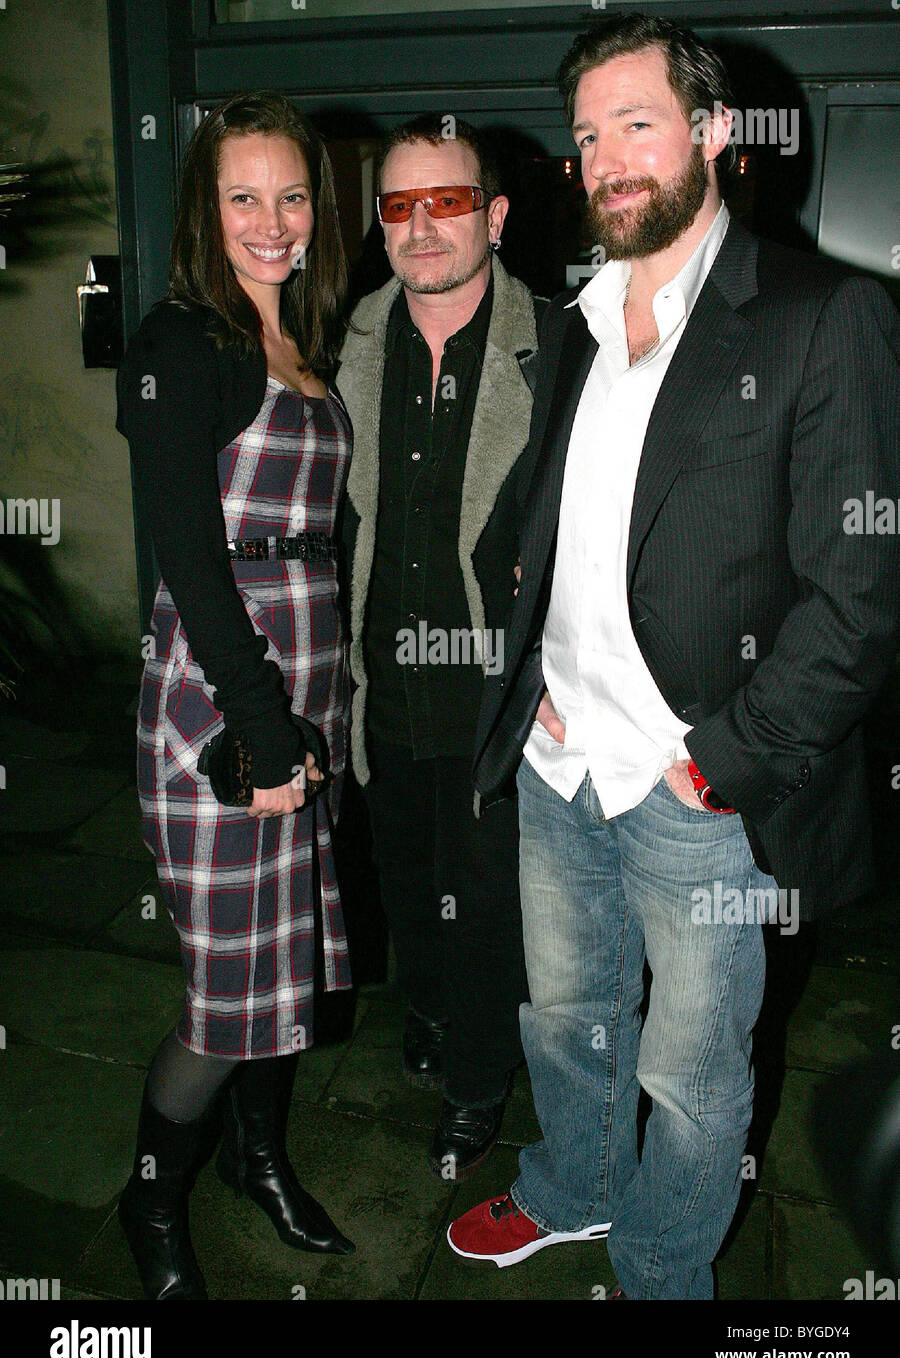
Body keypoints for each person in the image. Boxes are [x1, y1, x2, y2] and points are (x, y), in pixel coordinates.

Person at [449, 14, 900, 1297]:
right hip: (560, 765)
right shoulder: (580, 319)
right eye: (588, 137)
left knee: (694, 1080)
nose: (605, 158)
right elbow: (543, 521)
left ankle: (658, 1272)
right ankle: (573, 1189)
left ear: (712, 136)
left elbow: (863, 591)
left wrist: (724, 764)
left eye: (636, 124)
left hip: (700, 791)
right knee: (565, 1019)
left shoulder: (824, 317)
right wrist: (530, 675)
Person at [115, 91, 355, 1300]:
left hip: (306, 698)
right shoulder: (180, 343)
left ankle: (258, 1159)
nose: (272, 220)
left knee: (288, 968)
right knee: (225, 996)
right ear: (206, 212)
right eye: (242, 195)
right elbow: (191, 564)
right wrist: (261, 734)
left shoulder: (304, 344)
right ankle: (148, 1206)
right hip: (225, 708)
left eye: (293, 193)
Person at [336, 115, 538, 1179]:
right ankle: (425, 1011)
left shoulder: (554, 348)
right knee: (406, 879)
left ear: (493, 216)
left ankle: (477, 1077)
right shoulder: (347, 342)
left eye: (447, 201)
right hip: (383, 682)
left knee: (487, 901)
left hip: (490, 694)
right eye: (400, 205)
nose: (422, 227)